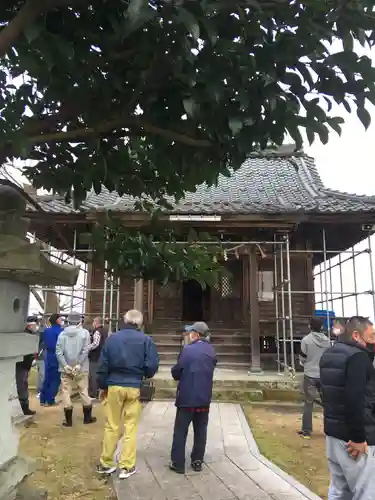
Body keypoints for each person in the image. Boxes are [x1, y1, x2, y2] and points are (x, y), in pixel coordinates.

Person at [96, 309, 159, 479]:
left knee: (112, 425)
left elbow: (102, 365)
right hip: (134, 386)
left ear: (125, 320)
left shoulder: (112, 339)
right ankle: (126, 466)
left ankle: (106, 463)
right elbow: (152, 365)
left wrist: (102, 386)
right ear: (139, 323)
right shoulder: (146, 340)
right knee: (131, 427)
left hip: (114, 385)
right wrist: (144, 374)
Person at [320, 316, 375, 500]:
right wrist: (358, 437)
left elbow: (326, 392)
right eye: (372, 336)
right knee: (365, 491)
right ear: (357, 335)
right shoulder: (358, 357)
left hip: (333, 433)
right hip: (354, 439)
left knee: (339, 491)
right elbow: (354, 398)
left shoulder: (330, 353)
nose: (374, 341)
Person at [169, 321, 217, 474]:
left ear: (196, 334)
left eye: (191, 332)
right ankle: (197, 460)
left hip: (187, 397)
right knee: (201, 429)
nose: (189, 335)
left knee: (181, 430)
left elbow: (177, 372)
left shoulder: (187, 350)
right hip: (204, 397)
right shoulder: (211, 351)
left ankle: (178, 462)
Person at [56, 312, 96, 427]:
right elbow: (85, 350)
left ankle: (68, 421)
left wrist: (64, 365)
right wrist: (79, 363)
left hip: (65, 368)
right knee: (83, 391)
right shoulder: (85, 333)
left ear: (68, 321)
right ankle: (87, 418)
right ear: (80, 321)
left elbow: (58, 352)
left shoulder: (62, 334)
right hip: (81, 367)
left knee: (66, 392)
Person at [298, 316, 330, 438]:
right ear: (321, 327)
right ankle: (329, 430)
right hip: (323, 374)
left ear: (309, 326)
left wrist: (303, 363)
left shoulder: (306, 340)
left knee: (308, 402)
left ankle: (307, 430)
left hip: (310, 373)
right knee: (327, 403)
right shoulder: (327, 341)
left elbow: (302, 357)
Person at [15, 315, 40, 416]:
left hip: (25, 364)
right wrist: (31, 359)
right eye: (36, 323)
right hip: (21, 365)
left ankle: (24, 407)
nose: (37, 326)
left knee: (23, 385)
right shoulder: (25, 335)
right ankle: (23, 409)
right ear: (30, 325)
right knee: (22, 385)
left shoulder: (30, 334)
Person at [40, 313, 64, 406]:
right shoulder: (61, 331)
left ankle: (42, 399)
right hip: (57, 355)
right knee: (56, 379)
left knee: (47, 378)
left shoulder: (46, 331)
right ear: (57, 320)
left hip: (48, 355)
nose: (61, 320)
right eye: (60, 319)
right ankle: (50, 400)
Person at [88, 316, 108, 399]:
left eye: (93, 322)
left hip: (95, 356)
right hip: (102, 356)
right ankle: (98, 392)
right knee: (99, 375)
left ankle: (93, 393)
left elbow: (95, 344)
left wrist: (86, 348)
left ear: (96, 322)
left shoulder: (97, 332)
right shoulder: (105, 331)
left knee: (93, 375)